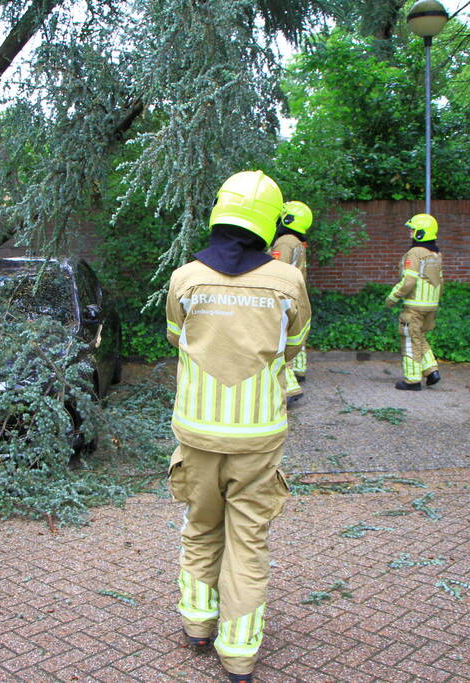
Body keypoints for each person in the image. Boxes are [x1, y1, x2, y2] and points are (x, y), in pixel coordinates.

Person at [165, 170, 310, 683]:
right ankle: (240, 651)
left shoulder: (185, 277)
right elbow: (294, 346)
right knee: (248, 540)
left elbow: (175, 336)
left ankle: (197, 624)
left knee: (201, 527)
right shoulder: (288, 282)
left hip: (197, 432)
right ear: (269, 223)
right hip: (258, 437)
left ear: (220, 214)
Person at [385, 212, 442, 390]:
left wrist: (393, 296)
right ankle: (431, 371)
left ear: (421, 233)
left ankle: (412, 380)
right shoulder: (436, 254)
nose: (410, 233)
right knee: (419, 336)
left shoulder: (415, 252)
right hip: (430, 306)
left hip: (414, 306)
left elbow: (409, 280)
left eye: (412, 230)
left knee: (409, 340)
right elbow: (440, 281)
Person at [270, 201, 313, 404]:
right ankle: (299, 371)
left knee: (280, 340)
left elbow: (277, 272)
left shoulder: (285, 241)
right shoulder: (297, 242)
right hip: (296, 295)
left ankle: (290, 387)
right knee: (296, 336)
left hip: (285, 296)